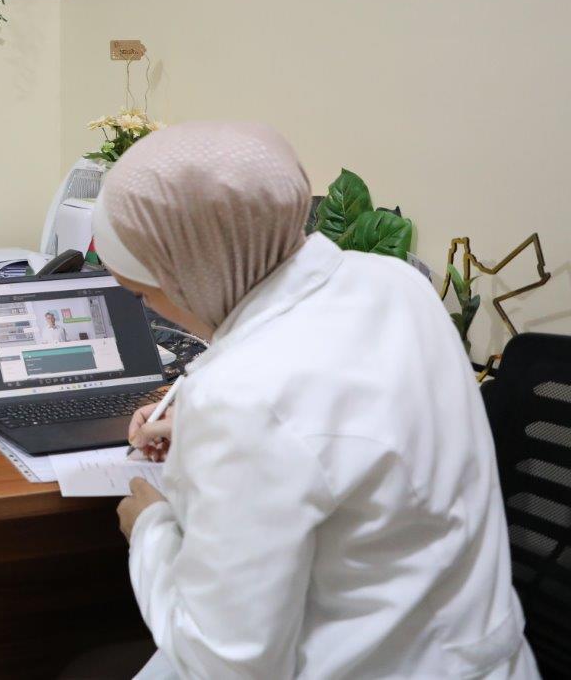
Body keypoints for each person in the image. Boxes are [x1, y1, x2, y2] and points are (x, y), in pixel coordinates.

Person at [92, 121, 535, 679]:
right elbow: (348, 427)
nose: (155, 311)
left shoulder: (241, 394)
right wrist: (216, 441)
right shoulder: (396, 283)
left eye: (142, 294)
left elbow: (225, 665)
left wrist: (150, 530)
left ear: (192, 272)